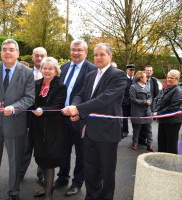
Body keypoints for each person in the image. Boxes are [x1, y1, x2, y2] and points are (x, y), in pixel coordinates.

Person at [62, 43, 126, 200]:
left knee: (107, 172)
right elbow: (81, 94)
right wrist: (75, 106)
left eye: (102, 54)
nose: (98, 57)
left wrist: (79, 110)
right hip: (89, 131)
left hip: (107, 133)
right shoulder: (91, 75)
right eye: (96, 54)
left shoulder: (118, 75)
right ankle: (91, 196)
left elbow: (104, 99)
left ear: (110, 56)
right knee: (90, 170)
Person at [0, 39, 35, 200]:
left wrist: (14, 108)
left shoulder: (27, 72)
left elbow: (29, 97)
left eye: (11, 49)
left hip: (16, 124)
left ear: (17, 53)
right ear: (1, 52)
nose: (7, 52)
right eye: (4, 49)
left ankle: (14, 192)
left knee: (15, 162)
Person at [55, 39, 96, 196]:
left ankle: (77, 182)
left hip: (80, 118)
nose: (76, 53)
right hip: (62, 117)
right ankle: (62, 177)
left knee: (81, 152)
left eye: (79, 50)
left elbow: (91, 96)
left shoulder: (92, 69)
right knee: (63, 150)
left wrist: (79, 112)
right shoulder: (64, 67)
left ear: (85, 52)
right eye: (73, 50)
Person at [30, 57, 66, 200]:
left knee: (49, 160)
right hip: (38, 128)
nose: (47, 71)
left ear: (56, 70)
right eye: (45, 68)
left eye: (50, 68)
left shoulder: (61, 86)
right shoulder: (36, 84)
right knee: (41, 159)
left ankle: (48, 195)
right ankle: (47, 188)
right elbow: (30, 103)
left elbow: (57, 105)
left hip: (53, 129)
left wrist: (42, 110)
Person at [20, 47, 47, 184]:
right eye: (37, 55)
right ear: (32, 57)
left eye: (42, 55)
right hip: (27, 119)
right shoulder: (24, 73)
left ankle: (41, 175)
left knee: (42, 150)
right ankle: (20, 174)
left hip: (45, 121)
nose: (39, 58)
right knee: (25, 149)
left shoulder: (51, 74)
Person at [152, 69, 182, 154]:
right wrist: (154, 110)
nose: (169, 79)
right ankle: (161, 160)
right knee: (162, 142)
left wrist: (158, 113)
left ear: (177, 79)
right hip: (163, 120)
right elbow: (157, 99)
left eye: (172, 78)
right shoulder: (166, 88)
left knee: (171, 144)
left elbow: (173, 107)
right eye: (168, 77)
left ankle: (171, 164)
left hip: (172, 122)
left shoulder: (178, 91)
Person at [129, 71, 153, 151]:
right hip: (137, 111)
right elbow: (132, 99)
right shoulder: (133, 87)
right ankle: (135, 144)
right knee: (137, 129)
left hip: (147, 111)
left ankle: (149, 145)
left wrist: (149, 101)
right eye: (145, 77)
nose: (146, 78)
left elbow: (150, 96)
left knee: (149, 129)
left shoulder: (147, 86)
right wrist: (144, 102)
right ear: (140, 78)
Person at [139, 65, 160, 145]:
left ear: (152, 72)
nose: (148, 72)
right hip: (140, 105)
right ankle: (138, 139)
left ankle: (145, 140)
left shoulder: (154, 81)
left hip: (150, 107)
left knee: (148, 124)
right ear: (144, 71)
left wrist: (154, 108)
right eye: (147, 70)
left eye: (150, 70)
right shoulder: (139, 80)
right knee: (139, 124)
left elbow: (157, 95)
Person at [122, 64, 135, 138]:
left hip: (133, 103)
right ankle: (125, 131)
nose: (132, 71)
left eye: (133, 70)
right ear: (127, 70)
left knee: (134, 118)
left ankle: (135, 132)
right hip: (125, 102)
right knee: (124, 118)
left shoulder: (135, 79)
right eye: (130, 70)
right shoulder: (123, 79)